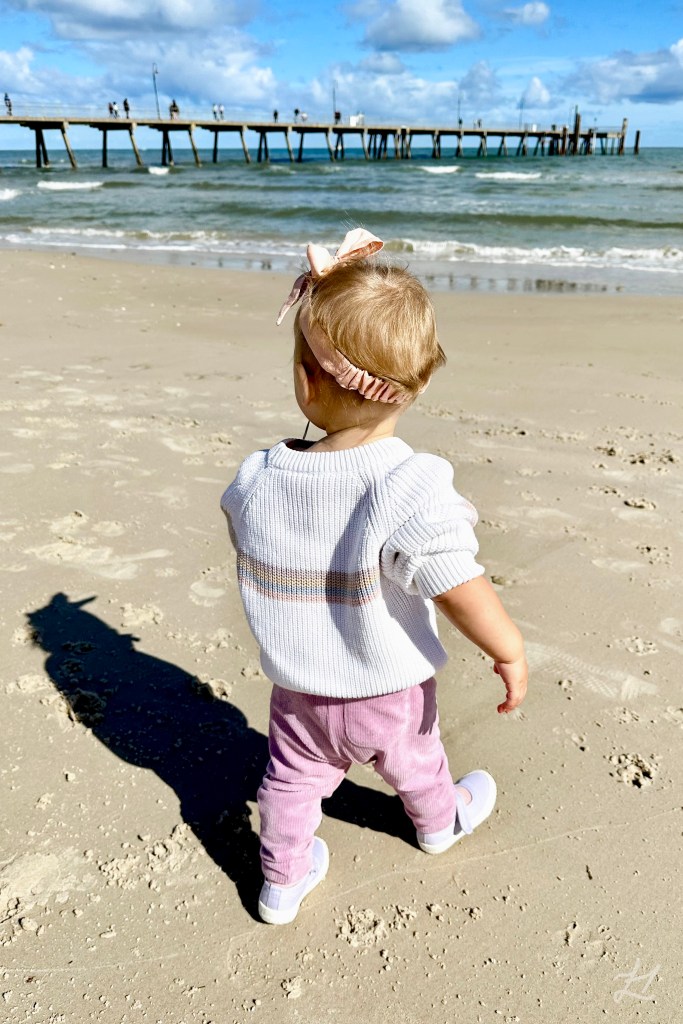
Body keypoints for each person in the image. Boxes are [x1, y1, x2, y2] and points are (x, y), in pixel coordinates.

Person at [221, 228, 528, 926]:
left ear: (306, 377)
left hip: (299, 688)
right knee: (416, 761)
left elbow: (243, 522)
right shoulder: (407, 486)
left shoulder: (260, 477)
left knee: (290, 783)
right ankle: (436, 825)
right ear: (413, 387)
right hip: (386, 689)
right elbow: (456, 581)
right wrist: (506, 648)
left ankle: (280, 881)